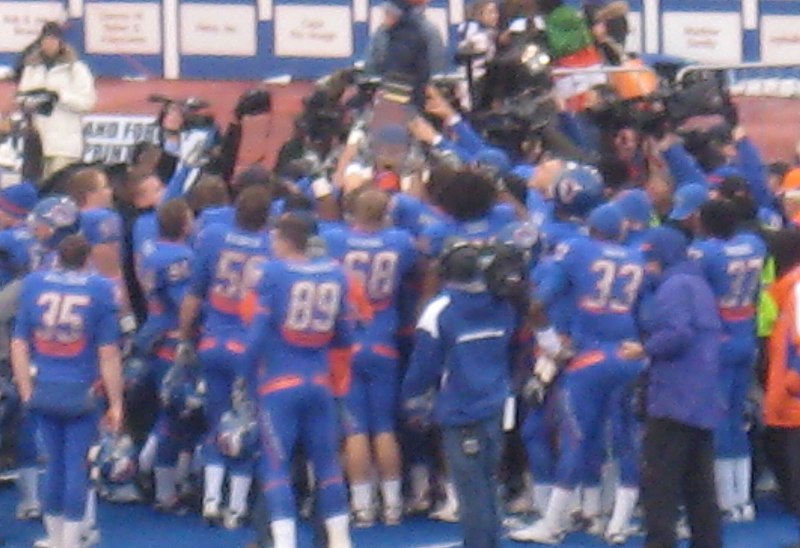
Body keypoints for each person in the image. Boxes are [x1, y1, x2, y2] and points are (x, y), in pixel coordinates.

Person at [242, 213, 354, 548]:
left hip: (279, 382)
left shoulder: (274, 273)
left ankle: (285, 542)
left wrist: (245, 380)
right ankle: (340, 540)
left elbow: (256, 337)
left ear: (285, 240)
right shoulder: (335, 271)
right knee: (327, 466)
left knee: (276, 467)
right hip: (319, 379)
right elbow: (345, 335)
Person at [402, 239, 519, 548]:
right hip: (496, 402)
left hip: (460, 408)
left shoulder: (440, 310)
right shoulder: (501, 304)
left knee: (471, 489)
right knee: (489, 482)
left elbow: (423, 366)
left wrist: (414, 403)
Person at [10, 234, 124, 548]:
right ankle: (71, 541)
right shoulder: (101, 289)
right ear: (87, 258)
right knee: (76, 466)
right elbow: (108, 353)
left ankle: (55, 537)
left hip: (44, 385)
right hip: (82, 389)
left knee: (55, 466)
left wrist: (25, 388)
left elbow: (19, 342)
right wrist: (116, 402)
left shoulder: (34, 283)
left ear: (57, 257)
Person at [621, 226, 724, 548]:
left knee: (660, 484)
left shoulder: (673, 287)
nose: (647, 267)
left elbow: (677, 334)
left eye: (651, 259)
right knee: (699, 485)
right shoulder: (698, 283)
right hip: (702, 396)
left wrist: (644, 348)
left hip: (673, 396)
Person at [323, 188, 418, 526]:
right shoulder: (401, 242)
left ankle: (362, 505)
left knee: (355, 430)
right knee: (384, 428)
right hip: (384, 341)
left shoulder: (335, 239)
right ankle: (392, 504)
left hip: (347, 343)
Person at [179, 184, 272, 525]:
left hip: (213, 340)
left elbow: (192, 297)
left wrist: (185, 338)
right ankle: (235, 507)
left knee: (217, 421)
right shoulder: (271, 247)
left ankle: (210, 499)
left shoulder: (214, 236)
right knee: (245, 426)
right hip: (247, 347)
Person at [16, 22, 97, 180]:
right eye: (45, 40)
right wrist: (34, 100)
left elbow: (87, 102)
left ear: (61, 42)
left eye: (53, 40)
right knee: (35, 185)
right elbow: (21, 96)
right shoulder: (32, 68)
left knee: (58, 185)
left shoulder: (76, 69)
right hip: (37, 140)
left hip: (64, 141)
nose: (49, 44)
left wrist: (59, 97)